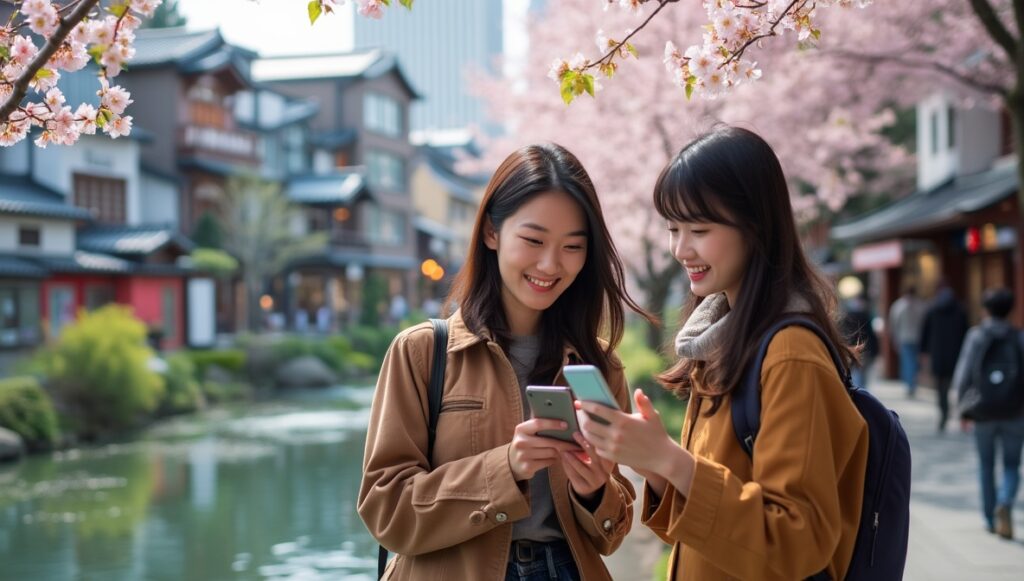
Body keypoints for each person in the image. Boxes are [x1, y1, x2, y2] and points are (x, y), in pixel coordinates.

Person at [575, 126, 869, 580]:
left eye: (699, 229)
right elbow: (706, 528)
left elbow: (799, 539)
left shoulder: (790, 354)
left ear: (755, 227)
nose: (681, 249)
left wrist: (671, 460)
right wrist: (655, 466)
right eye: (673, 229)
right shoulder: (722, 338)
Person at [358, 143, 652, 580]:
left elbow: (611, 535)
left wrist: (594, 493)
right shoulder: (421, 352)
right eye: (533, 240)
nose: (550, 264)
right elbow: (386, 510)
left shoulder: (599, 365)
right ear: (491, 233)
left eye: (573, 246)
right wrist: (507, 467)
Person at [951, 288, 1024, 540]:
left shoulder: (976, 336)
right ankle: (1005, 501)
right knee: (1012, 464)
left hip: (982, 410)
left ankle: (990, 519)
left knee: (986, 464)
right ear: (1010, 309)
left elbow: (963, 373)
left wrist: (961, 409)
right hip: (1015, 411)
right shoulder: (1019, 337)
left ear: (985, 309)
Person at [919, 285, 968, 432]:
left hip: (938, 353)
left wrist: (923, 351)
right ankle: (961, 414)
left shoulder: (932, 310)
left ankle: (944, 412)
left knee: (941, 387)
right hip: (956, 353)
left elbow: (925, 333)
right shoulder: (960, 310)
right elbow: (965, 332)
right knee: (959, 385)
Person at [888, 285, 926, 398]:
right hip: (917, 337)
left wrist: (894, 338)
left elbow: (893, 323)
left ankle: (910, 384)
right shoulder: (920, 305)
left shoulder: (899, 305)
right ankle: (911, 384)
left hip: (904, 337)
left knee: (907, 362)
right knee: (913, 362)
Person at [840, 292, 879, 390]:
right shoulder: (866, 315)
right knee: (862, 372)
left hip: (851, 346)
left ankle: (857, 390)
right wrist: (876, 349)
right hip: (864, 347)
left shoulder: (847, 315)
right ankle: (861, 391)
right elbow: (871, 333)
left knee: (854, 371)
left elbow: (843, 332)